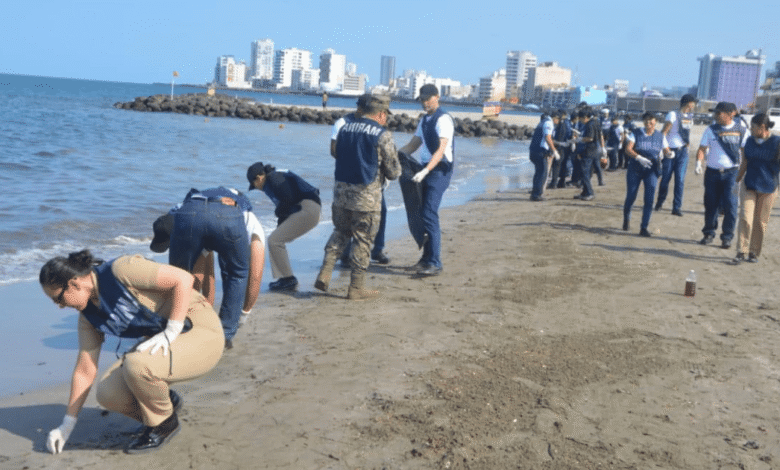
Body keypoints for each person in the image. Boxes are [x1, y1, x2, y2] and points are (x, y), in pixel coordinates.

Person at [40, 250, 223, 454]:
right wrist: (67, 424)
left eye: (58, 299)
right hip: (164, 343)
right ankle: (166, 403)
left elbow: (183, 279)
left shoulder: (121, 270)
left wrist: (172, 329)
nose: (60, 306)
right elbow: (85, 370)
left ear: (74, 283)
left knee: (137, 365)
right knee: (108, 393)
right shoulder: (88, 317)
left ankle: (164, 425)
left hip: (200, 330)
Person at [150, 187, 265, 348]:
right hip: (227, 218)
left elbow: (202, 277)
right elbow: (255, 275)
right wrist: (244, 314)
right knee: (238, 274)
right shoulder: (248, 217)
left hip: (189, 216)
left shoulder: (180, 210)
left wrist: (202, 316)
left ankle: (182, 324)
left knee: (180, 276)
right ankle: (224, 337)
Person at [314, 95, 400, 299]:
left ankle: (325, 271)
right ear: (381, 114)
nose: (386, 119)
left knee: (340, 232)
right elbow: (393, 172)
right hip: (366, 197)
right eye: (386, 115)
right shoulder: (382, 134)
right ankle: (356, 287)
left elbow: (336, 153)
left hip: (341, 194)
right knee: (363, 239)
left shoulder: (344, 129)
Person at [398, 84, 455, 276]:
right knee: (421, 213)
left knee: (429, 213)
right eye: (421, 99)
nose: (424, 103)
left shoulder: (443, 119)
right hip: (425, 167)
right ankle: (425, 260)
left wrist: (426, 171)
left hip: (440, 170)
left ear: (437, 97)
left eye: (427, 99)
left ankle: (435, 262)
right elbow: (413, 145)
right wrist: (394, 156)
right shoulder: (424, 120)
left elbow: (441, 150)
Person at [330, 94, 390, 265]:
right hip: (349, 178)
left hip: (372, 179)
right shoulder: (342, 123)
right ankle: (346, 254)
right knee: (348, 217)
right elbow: (334, 150)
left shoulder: (376, 124)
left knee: (381, 211)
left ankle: (378, 250)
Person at [247, 162, 322, 291]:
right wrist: (280, 225)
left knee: (274, 241)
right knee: (275, 240)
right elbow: (287, 204)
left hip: (307, 208)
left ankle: (288, 280)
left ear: (259, 178)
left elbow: (288, 198)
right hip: (308, 207)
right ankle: (285, 279)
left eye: (254, 185)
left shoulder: (274, 179)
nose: (257, 188)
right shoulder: (274, 177)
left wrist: (278, 213)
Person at [694, 101, 748, 248]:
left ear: (731, 114)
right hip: (712, 173)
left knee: (731, 205)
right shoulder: (710, 130)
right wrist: (698, 163)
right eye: (715, 113)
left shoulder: (742, 130)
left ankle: (727, 237)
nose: (716, 115)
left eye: (719, 113)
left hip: (732, 173)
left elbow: (745, 153)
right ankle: (708, 233)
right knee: (711, 204)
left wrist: (743, 172)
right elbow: (702, 149)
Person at [731, 113, 780, 263]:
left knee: (760, 222)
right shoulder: (749, 141)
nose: (750, 129)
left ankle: (753, 251)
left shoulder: (777, 142)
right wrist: (736, 181)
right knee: (745, 218)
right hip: (749, 185)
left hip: (769, 187)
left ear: (762, 127)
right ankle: (741, 251)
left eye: (753, 127)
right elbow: (744, 163)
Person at [622, 112, 671, 236]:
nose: (648, 123)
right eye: (646, 121)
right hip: (635, 168)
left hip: (652, 169)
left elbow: (666, 150)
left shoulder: (660, 136)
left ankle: (644, 227)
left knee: (649, 199)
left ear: (656, 122)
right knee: (631, 196)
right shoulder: (636, 133)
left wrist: (670, 154)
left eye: (651, 121)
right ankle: (626, 218)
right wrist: (638, 157)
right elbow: (628, 149)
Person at [655, 94, 697, 216]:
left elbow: (687, 134)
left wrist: (687, 147)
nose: (694, 105)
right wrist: (665, 149)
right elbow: (663, 132)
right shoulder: (673, 115)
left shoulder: (690, 117)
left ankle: (677, 207)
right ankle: (660, 202)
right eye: (693, 103)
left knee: (680, 180)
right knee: (665, 179)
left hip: (682, 152)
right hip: (670, 151)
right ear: (688, 103)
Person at [574, 107, 605, 201]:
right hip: (595, 150)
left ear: (585, 117)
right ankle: (584, 192)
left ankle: (590, 193)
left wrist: (580, 139)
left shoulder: (589, 124)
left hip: (589, 151)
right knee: (587, 172)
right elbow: (600, 135)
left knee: (584, 173)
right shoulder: (596, 122)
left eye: (580, 118)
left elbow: (590, 138)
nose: (580, 121)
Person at [528, 111, 560, 201]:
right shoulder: (549, 123)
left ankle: (535, 193)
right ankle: (537, 195)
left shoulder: (543, 122)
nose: (558, 122)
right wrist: (554, 151)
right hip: (540, 151)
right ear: (555, 118)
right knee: (543, 173)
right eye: (558, 120)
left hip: (534, 150)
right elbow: (548, 138)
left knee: (538, 173)